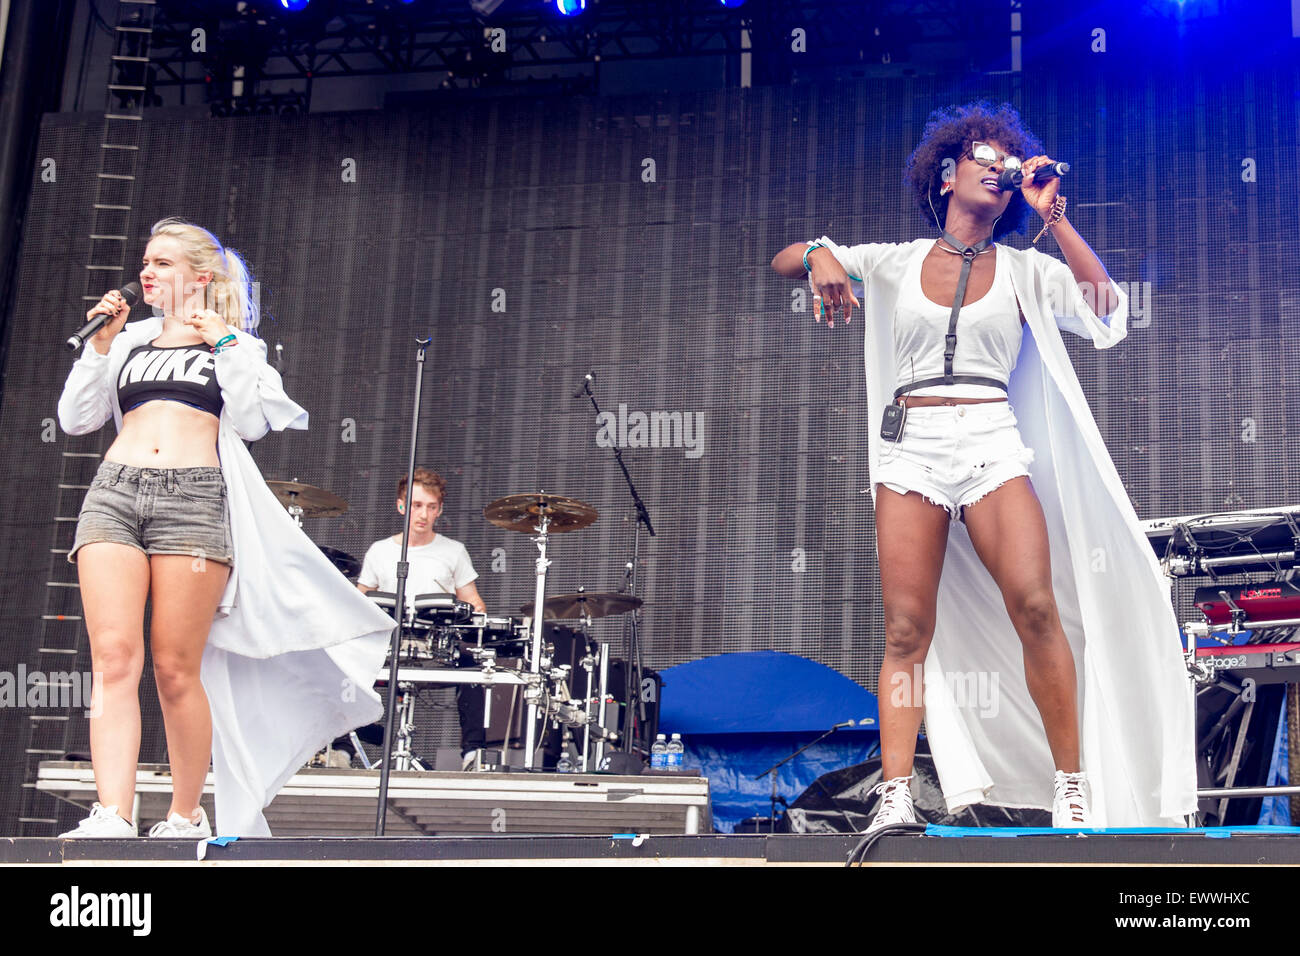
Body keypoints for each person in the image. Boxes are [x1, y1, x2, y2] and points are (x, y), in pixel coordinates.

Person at [770, 102, 1195, 831]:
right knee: (906, 630)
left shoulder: (1028, 270)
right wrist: (818, 256)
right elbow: (784, 257)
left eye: (1010, 163)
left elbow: (1107, 312)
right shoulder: (895, 262)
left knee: (1036, 606)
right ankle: (896, 795)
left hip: (992, 441)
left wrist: (1053, 215)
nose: (999, 171)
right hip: (913, 449)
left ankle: (1072, 788)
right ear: (947, 174)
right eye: (985, 159)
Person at [57, 218, 393, 837]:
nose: (146, 272)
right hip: (114, 493)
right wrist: (99, 347)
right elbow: (77, 419)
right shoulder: (128, 340)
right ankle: (112, 813)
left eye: (161, 263)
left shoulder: (236, 344)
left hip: (192, 500)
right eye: (145, 262)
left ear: (200, 277)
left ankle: (185, 815)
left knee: (175, 666)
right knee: (112, 659)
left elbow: (253, 419)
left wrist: (225, 342)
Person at [356, 468, 487, 764]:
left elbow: (474, 601)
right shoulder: (380, 551)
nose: (423, 514)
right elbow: (359, 600)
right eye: (416, 505)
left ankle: (472, 753)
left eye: (430, 507)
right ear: (401, 505)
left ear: (439, 510)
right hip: (387, 648)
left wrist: (475, 611)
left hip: (438, 648)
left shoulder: (454, 551)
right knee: (338, 664)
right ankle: (346, 746)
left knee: (475, 668)